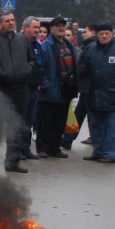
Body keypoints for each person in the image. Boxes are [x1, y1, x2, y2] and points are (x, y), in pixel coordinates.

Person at [0, 11, 35, 173]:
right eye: (7, 21)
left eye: (12, 20)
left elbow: (31, 60)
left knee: (16, 127)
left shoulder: (23, 40)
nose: (11, 23)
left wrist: (27, 69)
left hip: (20, 90)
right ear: (0, 23)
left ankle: (12, 162)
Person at [78, 23, 115, 164]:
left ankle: (110, 154)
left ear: (112, 34)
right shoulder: (90, 49)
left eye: (107, 33)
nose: (104, 36)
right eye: (101, 33)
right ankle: (98, 151)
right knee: (95, 125)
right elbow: (81, 69)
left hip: (113, 94)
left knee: (112, 126)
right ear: (97, 35)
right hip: (93, 94)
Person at [36, 17, 78, 159]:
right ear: (51, 28)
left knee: (60, 121)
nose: (61, 28)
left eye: (63, 26)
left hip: (65, 89)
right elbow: (40, 68)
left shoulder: (69, 45)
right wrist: (46, 85)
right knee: (45, 121)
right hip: (50, 90)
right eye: (58, 26)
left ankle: (55, 148)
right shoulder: (45, 46)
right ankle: (42, 148)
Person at [62, 24, 98, 149]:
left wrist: (77, 71)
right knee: (83, 114)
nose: (83, 34)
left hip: (89, 87)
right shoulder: (89, 46)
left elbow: (86, 66)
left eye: (86, 31)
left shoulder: (91, 47)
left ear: (93, 32)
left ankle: (68, 139)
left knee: (84, 115)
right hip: (87, 87)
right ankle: (68, 139)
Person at [19, 16, 43, 160]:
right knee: (20, 120)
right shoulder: (19, 43)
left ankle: (25, 148)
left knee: (29, 120)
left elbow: (40, 64)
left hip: (34, 88)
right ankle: (17, 149)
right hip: (22, 88)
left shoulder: (37, 44)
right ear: (26, 28)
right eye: (35, 27)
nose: (38, 30)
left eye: (38, 27)